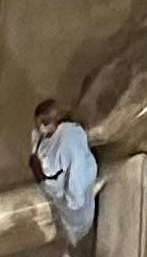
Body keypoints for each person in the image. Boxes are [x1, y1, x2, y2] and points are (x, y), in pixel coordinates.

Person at [31, 97, 103, 250]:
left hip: (72, 197)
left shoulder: (68, 144)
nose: (39, 130)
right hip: (71, 185)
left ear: (53, 123)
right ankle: (76, 239)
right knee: (73, 220)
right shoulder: (69, 130)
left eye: (42, 125)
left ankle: (77, 243)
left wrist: (72, 202)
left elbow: (76, 177)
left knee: (76, 223)